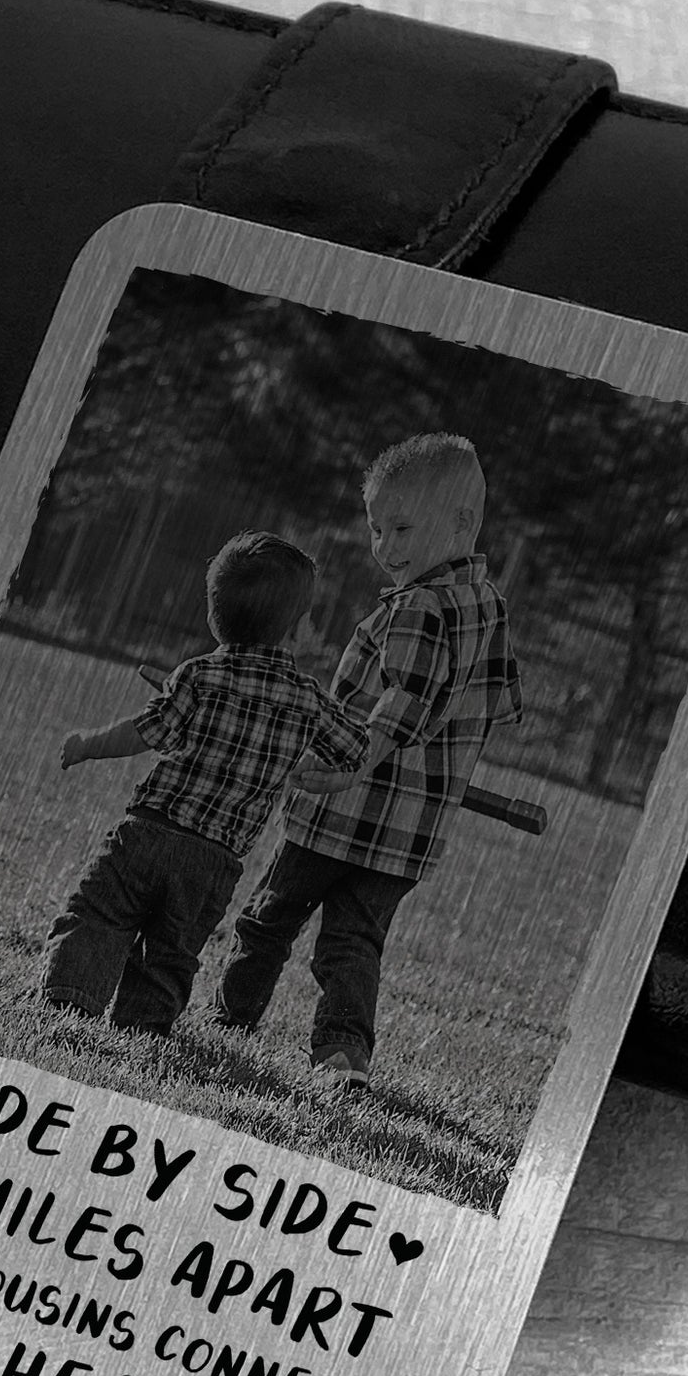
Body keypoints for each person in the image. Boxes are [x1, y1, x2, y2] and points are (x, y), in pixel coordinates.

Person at [215, 433, 524, 1093]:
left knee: (269, 917)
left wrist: (358, 759)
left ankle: (230, 1020)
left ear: (462, 523)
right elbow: (493, 704)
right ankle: (342, 1056)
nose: (385, 545)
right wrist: (437, 758)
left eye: (402, 528)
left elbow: (405, 697)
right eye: (377, 528)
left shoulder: (417, 605)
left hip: (343, 809)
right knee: (354, 943)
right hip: (411, 833)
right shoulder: (488, 607)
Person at [41, 530, 369, 1035]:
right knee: (172, 951)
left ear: (215, 618)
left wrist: (87, 743)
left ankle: (70, 1001)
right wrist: (317, 772)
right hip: (214, 861)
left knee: (99, 914)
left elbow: (143, 732)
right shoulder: (309, 699)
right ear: (298, 630)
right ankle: (142, 1029)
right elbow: (356, 749)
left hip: (149, 832)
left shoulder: (198, 674)